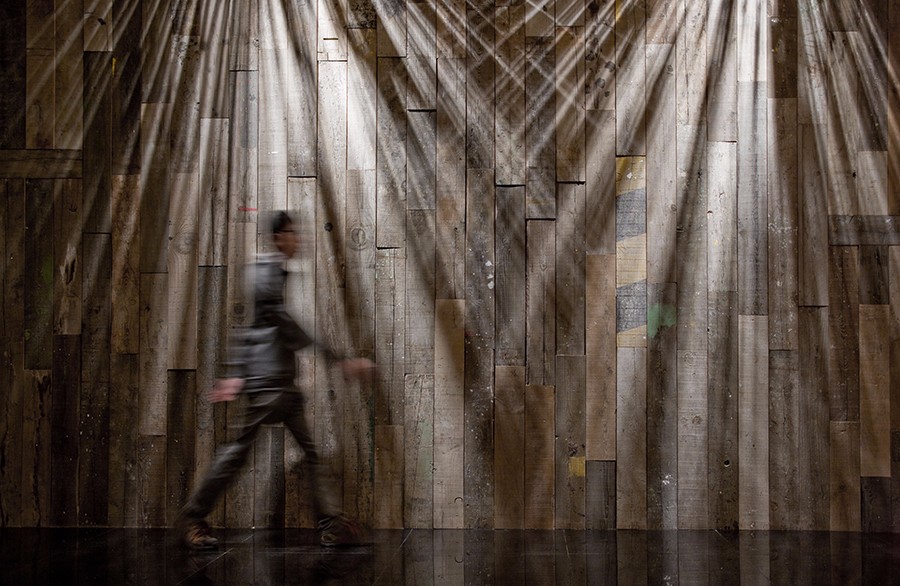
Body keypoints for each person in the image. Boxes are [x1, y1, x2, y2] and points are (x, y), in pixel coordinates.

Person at [178, 211, 375, 549]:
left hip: (281, 382)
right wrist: (337, 359)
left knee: (303, 453)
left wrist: (236, 373)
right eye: (291, 232)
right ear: (278, 237)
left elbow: (256, 326)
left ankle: (331, 525)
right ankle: (193, 517)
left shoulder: (273, 273)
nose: (297, 239)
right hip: (268, 382)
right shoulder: (264, 272)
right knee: (239, 452)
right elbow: (279, 322)